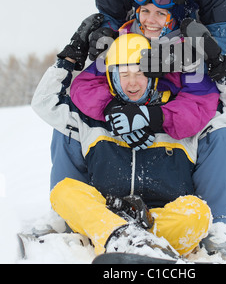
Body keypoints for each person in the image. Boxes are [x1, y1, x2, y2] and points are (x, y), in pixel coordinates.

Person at [68, 0, 226, 260]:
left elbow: (200, 102)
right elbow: (84, 86)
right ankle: (77, 219)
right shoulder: (120, 42)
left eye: (160, 13)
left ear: (174, 17)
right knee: (66, 125)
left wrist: (153, 116)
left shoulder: (188, 53)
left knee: (220, 133)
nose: (150, 20)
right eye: (145, 11)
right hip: (118, 136)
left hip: (170, 143)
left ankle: (217, 225)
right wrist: (111, 108)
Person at [31, 33, 212, 260]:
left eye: (140, 73)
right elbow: (44, 102)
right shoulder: (91, 117)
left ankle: (127, 242)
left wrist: (219, 69)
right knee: (64, 191)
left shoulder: (174, 115)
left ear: (153, 76)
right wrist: (67, 59)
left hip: (159, 218)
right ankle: (131, 241)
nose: (132, 82)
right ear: (112, 78)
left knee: (198, 212)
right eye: (124, 74)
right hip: (105, 214)